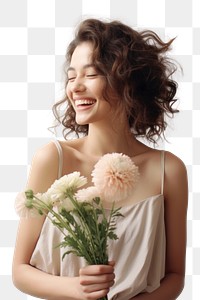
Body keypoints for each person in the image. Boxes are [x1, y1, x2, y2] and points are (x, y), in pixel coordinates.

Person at [12, 18, 188, 300]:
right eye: (71, 77)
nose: (76, 87)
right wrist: (76, 288)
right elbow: (20, 271)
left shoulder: (169, 170)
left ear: (127, 80)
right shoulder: (53, 159)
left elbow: (175, 276)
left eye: (91, 75)